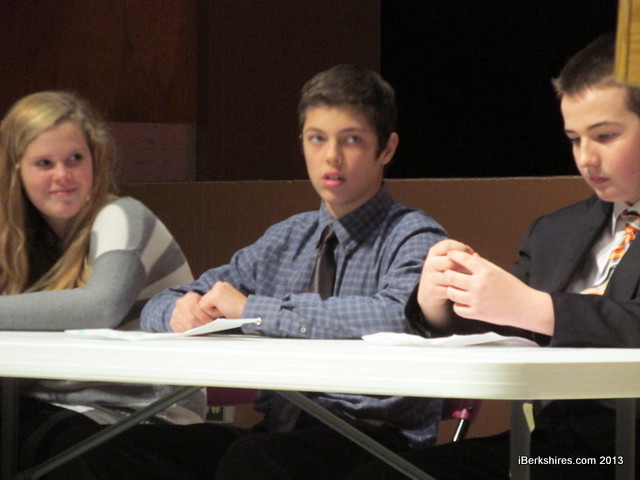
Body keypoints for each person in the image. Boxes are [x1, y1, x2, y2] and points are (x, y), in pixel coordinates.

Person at [345, 33, 640, 480]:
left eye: (605, 136)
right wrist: (442, 303)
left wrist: (538, 307)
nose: (586, 158)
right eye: (574, 139)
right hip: (554, 448)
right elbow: (510, 326)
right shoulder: (555, 231)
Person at [136, 64, 446, 479]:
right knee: (117, 450)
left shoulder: (414, 235)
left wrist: (253, 310)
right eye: (317, 138)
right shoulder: (287, 237)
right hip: (279, 431)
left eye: (351, 140)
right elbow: (168, 299)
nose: (331, 157)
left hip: (374, 441)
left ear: (386, 149)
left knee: (253, 461)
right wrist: (179, 311)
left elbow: (395, 315)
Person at [0, 91, 207, 473]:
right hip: (59, 412)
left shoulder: (122, 215)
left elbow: (101, 306)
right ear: (17, 170)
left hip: (147, 419)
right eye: (44, 163)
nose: (62, 175)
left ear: (95, 159)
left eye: (75, 159)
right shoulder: (18, 239)